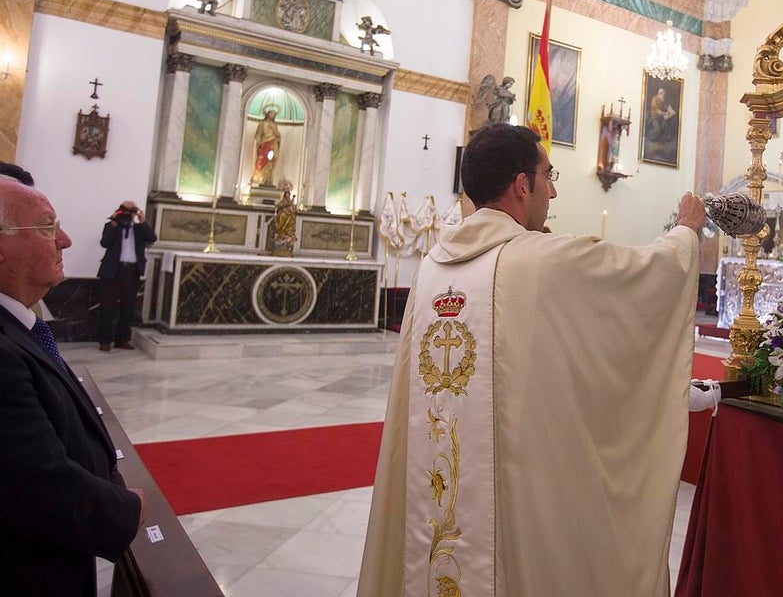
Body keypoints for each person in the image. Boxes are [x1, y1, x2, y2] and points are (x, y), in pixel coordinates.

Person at [358, 123, 704, 597]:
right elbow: (647, 275)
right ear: (523, 185)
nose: (554, 191)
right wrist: (686, 232)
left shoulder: (432, 267)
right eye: (549, 175)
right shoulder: (542, 259)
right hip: (515, 501)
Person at [0, 167, 146, 596]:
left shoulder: (21, 327)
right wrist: (128, 508)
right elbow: (36, 484)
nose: (64, 240)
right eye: (48, 227)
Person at [96, 200, 157, 351]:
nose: (128, 214)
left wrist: (142, 221)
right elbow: (105, 243)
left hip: (132, 271)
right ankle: (105, 340)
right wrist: (114, 222)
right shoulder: (111, 226)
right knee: (107, 306)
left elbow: (152, 238)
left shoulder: (139, 229)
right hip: (112, 270)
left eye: (132, 210)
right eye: (126, 210)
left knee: (128, 307)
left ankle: (122, 339)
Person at [251, 106, 282, 187]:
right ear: (267, 114)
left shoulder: (275, 125)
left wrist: (276, 135)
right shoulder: (262, 123)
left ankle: (268, 179)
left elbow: (278, 136)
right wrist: (258, 143)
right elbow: (258, 134)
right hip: (264, 144)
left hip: (272, 144)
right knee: (261, 160)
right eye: (271, 113)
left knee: (270, 162)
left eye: (274, 114)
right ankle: (260, 179)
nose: (272, 115)